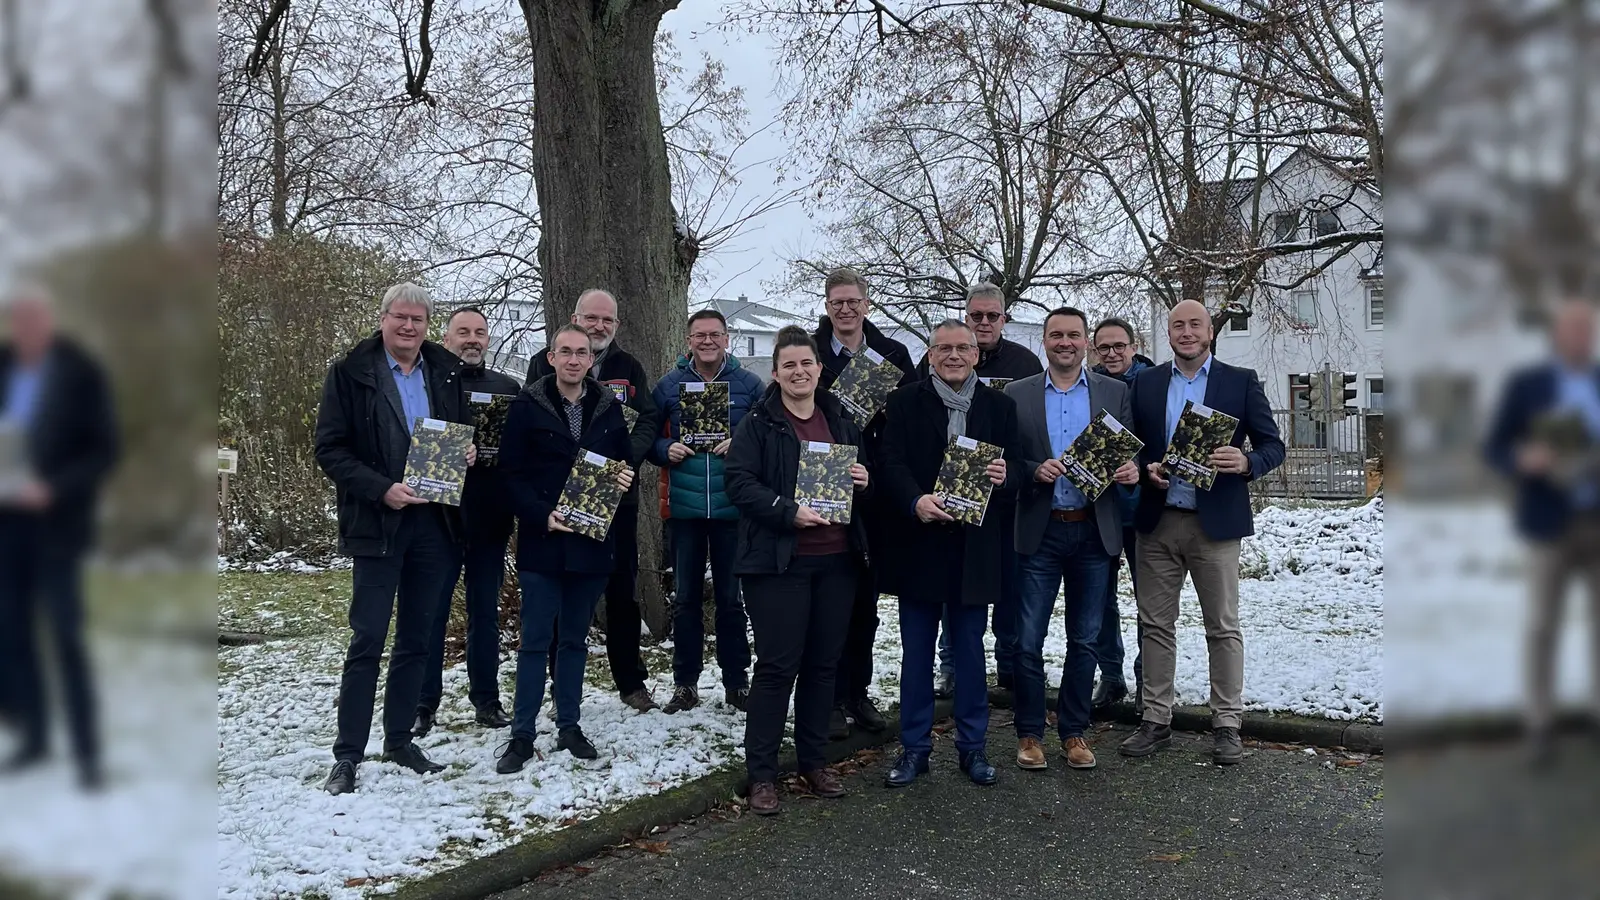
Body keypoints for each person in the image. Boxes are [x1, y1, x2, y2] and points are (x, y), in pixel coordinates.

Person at [314, 283, 476, 795]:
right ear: (383, 318)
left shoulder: (445, 370)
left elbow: (460, 429)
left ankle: (400, 740)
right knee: (367, 640)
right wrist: (382, 489)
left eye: (418, 320)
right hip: (378, 524)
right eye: (400, 318)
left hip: (435, 523)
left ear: (429, 324)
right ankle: (347, 756)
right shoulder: (350, 373)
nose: (409, 327)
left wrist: (465, 454)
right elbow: (330, 450)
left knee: (416, 639)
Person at [1120, 299, 1284, 765]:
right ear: (1168, 334)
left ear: (1210, 331)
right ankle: (1156, 720)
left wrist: (1248, 461)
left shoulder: (1240, 381)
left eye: (1195, 324)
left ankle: (1227, 726)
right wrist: (1143, 466)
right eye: (1177, 325)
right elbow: (1131, 448)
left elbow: (1274, 445)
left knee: (1223, 627)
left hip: (1216, 526)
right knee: (1155, 625)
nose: (1186, 332)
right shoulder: (1147, 383)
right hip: (1157, 522)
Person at [725, 326, 871, 815]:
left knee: (823, 665)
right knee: (776, 668)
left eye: (806, 363)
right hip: (777, 564)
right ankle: (763, 774)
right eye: (788, 365)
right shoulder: (759, 423)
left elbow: (860, 474)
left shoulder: (839, 417)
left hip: (836, 561)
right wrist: (787, 511)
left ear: (818, 368)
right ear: (776, 372)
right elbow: (739, 483)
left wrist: (863, 477)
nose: (799, 372)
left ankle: (813, 761)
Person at [879, 320, 1020, 788]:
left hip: (973, 549)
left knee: (969, 653)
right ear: (931, 356)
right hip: (920, 544)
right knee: (917, 654)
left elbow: (1018, 467)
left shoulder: (1000, 406)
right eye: (945, 348)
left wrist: (1006, 475)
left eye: (964, 347)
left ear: (977, 354)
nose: (955, 355)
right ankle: (915, 748)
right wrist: (915, 500)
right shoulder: (903, 402)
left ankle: (972, 748)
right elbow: (890, 463)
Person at [495, 325, 636, 772]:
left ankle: (570, 725)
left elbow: (622, 462)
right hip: (544, 540)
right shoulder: (527, 407)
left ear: (591, 360)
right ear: (551, 358)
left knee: (574, 641)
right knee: (536, 642)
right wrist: (540, 515)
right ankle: (521, 735)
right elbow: (510, 474)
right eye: (565, 352)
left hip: (592, 544)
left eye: (582, 352)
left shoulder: (609, 409)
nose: (575, 359)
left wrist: (625, 477)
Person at [1004, 308, 1139, 772]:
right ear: (1044, 341)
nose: (1066, 342)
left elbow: (1129, 455)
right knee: (1026, 641)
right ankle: (1029, 733)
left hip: (1092, 530)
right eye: (1056, 335)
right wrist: (1031, 471)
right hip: (1038, 530)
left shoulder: (1114, 392)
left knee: (1084, 640)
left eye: (1074, 335)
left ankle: (1074, 732)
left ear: (1087, 343)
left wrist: (1130, 472)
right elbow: (1007, 463)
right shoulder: (1016, 394)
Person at [0, 283, 119, 790]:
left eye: (36, 319)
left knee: (66, 635)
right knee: (12, 636)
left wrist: (54, 489)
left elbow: (103, 449)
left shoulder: (81, 372)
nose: (27, 329)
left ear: (49, 321)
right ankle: (33, 737)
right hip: (6, 526)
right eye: (19, 319)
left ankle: (88, 753)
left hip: (57, 525)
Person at [524, 289, 659, 712]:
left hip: (616, 501)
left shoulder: (629, 367)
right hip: (562, 505)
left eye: (607, 321)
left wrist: (626, 460)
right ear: (575, 318)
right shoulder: (540, 366)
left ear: (616, 326)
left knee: (622, 591)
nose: (599, 326)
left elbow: (649, 419)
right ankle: (557, 680)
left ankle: (631, 681)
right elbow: (533, 427)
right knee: (559, 593)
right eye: (592, 318)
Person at [1484, 297, 1600, 764]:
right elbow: (1494, 446)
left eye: (1586, 328)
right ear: (1556, 335)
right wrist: (1521, 459)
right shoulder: (1527, 385)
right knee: (1542, 627)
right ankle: (1540, 725)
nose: (1579, 336)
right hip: (1548, 522)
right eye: (1571, 329)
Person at [914, 283, 1043, 701]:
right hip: (940, 507)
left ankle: (1007, 664)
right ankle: (950, 666)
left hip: (1001, 506)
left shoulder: (1025, 362)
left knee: (1004, 589)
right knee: (954, 595)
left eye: (993, 316)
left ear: (1004, 319)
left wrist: (1011, 475)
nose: (984, 322)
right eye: (977, 316)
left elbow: (1022, 436)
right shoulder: (930, 363)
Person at [812, 267, 915, 739]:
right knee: (830, 602)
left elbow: (914, 415)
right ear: (828, 305)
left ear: (867, 304)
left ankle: (860, 692)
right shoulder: (809, 353)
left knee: (867, 605)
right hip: (827, 481)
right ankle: (829, 698)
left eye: (854, 301)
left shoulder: (893, 354)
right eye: (838, 302)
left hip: (877, 487)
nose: (846, 309)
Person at [648, 309, 763, 713]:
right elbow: (645, 436)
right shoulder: (669, 386)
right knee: (686, 600)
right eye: (700, 335)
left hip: (734, 511)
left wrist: (742, 444)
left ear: (727, 338)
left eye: (715, 334)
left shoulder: (750, 385)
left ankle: (737, 683)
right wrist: (665, 449)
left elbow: (771, 434)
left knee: (732, 601)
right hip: (686, 510)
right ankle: (685, 684)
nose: (708, 341)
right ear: (688, 339)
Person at [414, 308, 519, 738]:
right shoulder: (425, 385)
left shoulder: (507, 388)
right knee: (430, 614)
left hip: (491, 517)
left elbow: (522, 452)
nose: (472, 339)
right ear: (446, 337)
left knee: (484, 614)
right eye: (463, 332)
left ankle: (487, 700)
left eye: (479, 333)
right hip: (437, 519)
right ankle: (423, 704)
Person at [1089, 316, 1157, 714]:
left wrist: (1145, 468)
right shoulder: (1088, 387)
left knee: (1150, 603)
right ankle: (1110, 676)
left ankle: (1149, 677)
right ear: (1093, 351)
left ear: (1134, 346)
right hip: (1099, 509)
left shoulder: (1153, 384)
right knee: (1100, 600)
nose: (1112, 353)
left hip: (1146, 511)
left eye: (1119, 346)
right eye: (1104, 347)